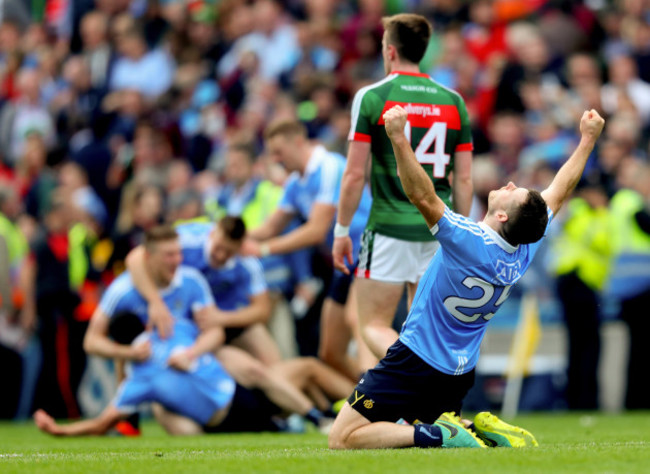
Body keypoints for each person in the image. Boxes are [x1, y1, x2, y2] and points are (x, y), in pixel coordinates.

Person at [328, 105, 605, 449]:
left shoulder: (467, 239)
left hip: (415, 359)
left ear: (502, 214)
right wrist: (588, 141)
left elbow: (421, 195)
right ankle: (477, 427)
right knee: (406, 414)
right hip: (458, 372)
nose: (509, 183)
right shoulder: (524, 246)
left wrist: (399, 138)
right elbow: (560, 191)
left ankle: (441, 433)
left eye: (512, 191)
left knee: (342, 439)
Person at [333, 13, 474, 364]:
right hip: (436, 227)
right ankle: (420, 405)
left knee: (372, 326)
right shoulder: (453, 101)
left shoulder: (373, 96)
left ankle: (415, 376)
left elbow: (353, 174)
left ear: (391, 51)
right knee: (422, 328)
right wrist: (458, 233)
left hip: (389, 228)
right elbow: (465, 179)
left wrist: (340, 230)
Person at [125, 218, 353, 427]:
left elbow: (262, 311)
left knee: (278, 371)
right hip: (195, 332)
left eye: (229, 252)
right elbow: (135, 258)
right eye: (219, 248)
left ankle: (345, 408)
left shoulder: (246, 262)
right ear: (213, 233)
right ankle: (316, 412)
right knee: (287, 371)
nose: (222, 255)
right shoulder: (187, 241)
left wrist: (222, 318)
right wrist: (155, 302)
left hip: (225, 323)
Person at [244, 120, 373, 381]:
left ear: (299, 142)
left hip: (371, 248)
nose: (276, 159)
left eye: (279, 152)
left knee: (357, 322)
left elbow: (315, 230)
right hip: (344, 260)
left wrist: (263, 249)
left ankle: (380, 406)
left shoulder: (329, 167)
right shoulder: (295, 182)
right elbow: (270, 226)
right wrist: (232, 238)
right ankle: (365, 398)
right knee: (330, 352)